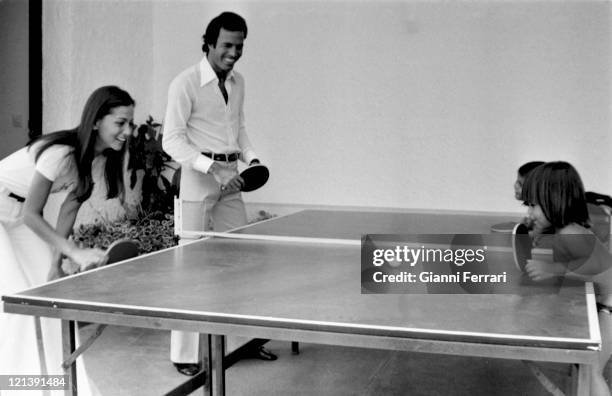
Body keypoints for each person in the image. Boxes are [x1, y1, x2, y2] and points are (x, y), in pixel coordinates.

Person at [0, 85, 135, 395]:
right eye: (120, 123)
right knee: (15, 300)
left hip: (16, 212)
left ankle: (57, 385)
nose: (127, 131)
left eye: (130, 123)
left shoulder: (98, 160)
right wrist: (75, 251)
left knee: (46, 294)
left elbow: (67, 211)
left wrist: (55, 264)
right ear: (96, 121)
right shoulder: (61, 153)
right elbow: (34, 215)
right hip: (10, 208)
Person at [162, 11, 275, 376]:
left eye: (239, 46)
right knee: (191, 267)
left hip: (231, 179)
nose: (233, 52)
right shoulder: (186, 82)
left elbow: (238, 128)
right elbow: (172, 140)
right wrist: (212, 169)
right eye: (226, 45)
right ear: (209, 43)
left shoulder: (239, 82)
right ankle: (184, 354)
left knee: (238, 261)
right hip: (198, 178)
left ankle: (242, 344)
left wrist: (252, 160)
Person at [522, 161, 612, 396]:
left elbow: (602, 271)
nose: (529, 213)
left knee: (591, 371)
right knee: (585, 370)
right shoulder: (565, 230)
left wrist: (553, 269)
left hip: (611, 308)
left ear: (555, 199)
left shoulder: (571, 233)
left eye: (533, 205)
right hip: (605, 304)